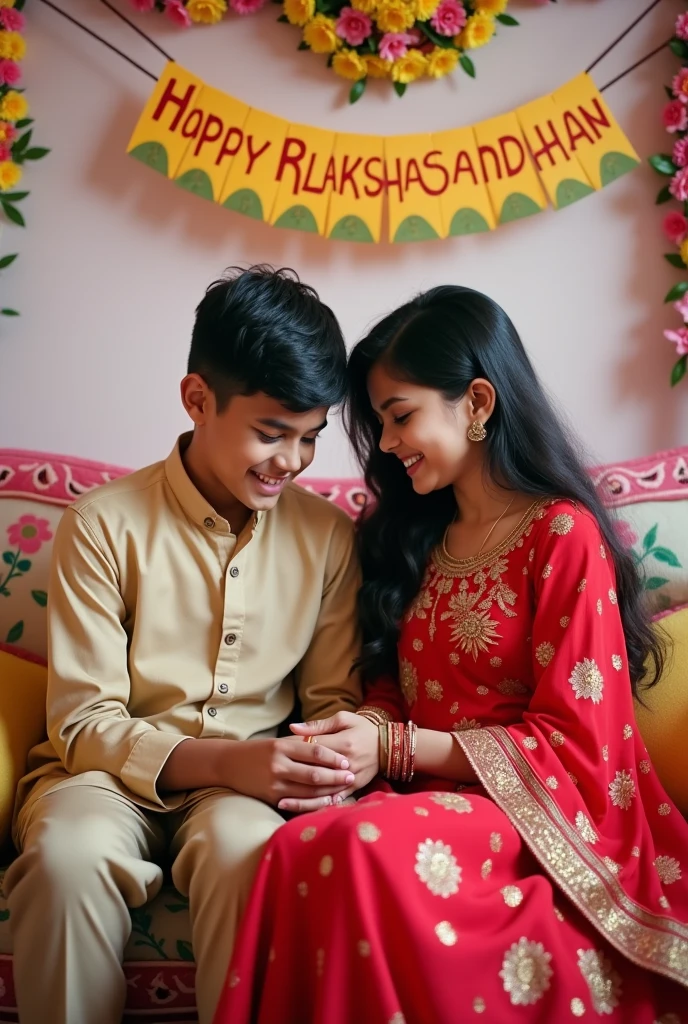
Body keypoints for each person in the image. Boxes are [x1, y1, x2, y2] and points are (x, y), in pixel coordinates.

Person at [214, 285, 688, 1024]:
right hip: (418, 800)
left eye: (401, 415)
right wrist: (355, 742)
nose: (389, 442)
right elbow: (388, 686)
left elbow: (576, 745)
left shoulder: (560, 537)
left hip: (540, 818)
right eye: (379, 423)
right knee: (291, 848)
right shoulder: (413, 538)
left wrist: (395, 748)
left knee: (363, 850)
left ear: (475, 401)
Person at [5, 266, 363, 1024]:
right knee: (67, 862)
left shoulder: (328, 539)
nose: (291, 462)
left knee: (251, 859)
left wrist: (323, 764)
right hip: (98, 779)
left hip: (246, 793)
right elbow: (82, 723)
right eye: (271, 433)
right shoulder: (102, 523)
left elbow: (334, 701)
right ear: (197, 399)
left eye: (309, 439)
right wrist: (232, 759)